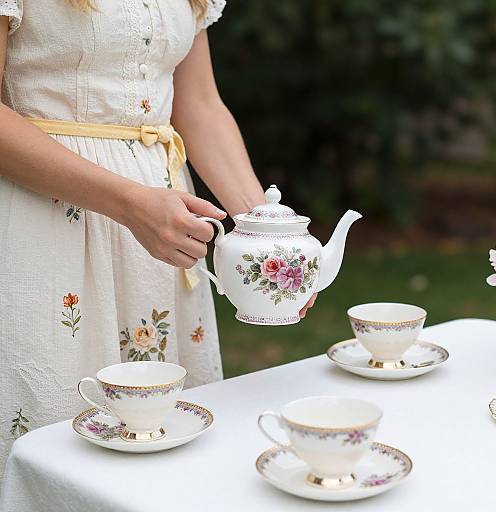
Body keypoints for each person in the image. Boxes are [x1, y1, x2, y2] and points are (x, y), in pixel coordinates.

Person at [0, 0, 317, 480]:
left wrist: (268, 238)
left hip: (159, 230)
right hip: (44, 221)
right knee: (55, 430)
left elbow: (198, 104)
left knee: (163, 444)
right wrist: (129, 204)